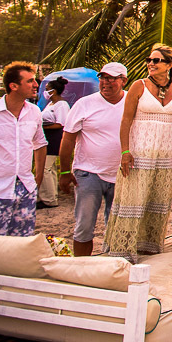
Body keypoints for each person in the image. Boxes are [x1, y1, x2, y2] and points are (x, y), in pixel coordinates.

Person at [103, 46, 172, 260]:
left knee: (157, 201)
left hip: (164, 154)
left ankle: (148, 247)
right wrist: (125, 151)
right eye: (149, 60)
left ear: (170, 64)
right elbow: (125, 120)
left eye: (156, 60)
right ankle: (123, 250)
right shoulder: (139, 86)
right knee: (133, 201)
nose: (151, 63)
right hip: (139, 151)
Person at [59, 62, 127, 256]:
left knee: (116, 226)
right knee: (84, 225)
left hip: (122, 174)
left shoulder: (133, 102)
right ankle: (81, 268)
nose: (106, 82)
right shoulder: (84, 104)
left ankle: (111, 267)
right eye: (103, 78)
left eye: (112, 78)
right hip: (88, 172)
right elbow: (68, 138)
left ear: (124, 81)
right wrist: (64, 172)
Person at [0, 61, 47, 236]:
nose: (36, 85)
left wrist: (38, 177)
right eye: (30, 81)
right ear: (13, 86)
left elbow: (40, 144)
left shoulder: (35, 112)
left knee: (22, 242)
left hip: (25, 188)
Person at [37, 75, 69, 209]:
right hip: (46, 138)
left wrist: (43, 126)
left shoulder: (62, 105)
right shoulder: (51, 104)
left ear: (53, 91)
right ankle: (48, 195)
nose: (45, 92)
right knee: (48, 168)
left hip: (54, 139)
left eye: (47, 89)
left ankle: (49, 199)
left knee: (46, 168)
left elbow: (61, 123)